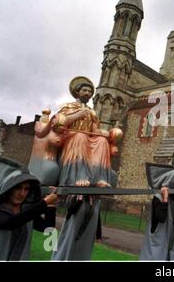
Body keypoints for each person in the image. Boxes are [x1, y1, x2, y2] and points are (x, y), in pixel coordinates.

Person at [50, 76, 122, 260]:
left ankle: (99, 177)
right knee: (81, 136)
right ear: (77, 92)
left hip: (85, 143)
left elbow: (95, 131)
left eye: (90, 91)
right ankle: (77, 176)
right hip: (69, 145)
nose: (88, 93)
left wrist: (103, 133)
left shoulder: (92, 113)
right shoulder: (68, 107)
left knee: (101, 142)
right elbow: (59, 124)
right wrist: (76, 116)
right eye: (84, 90)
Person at [0, 155, 58, 260]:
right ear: (8, 188)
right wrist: (44, 203)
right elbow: (10, 222)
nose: (22, 193)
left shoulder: (25, 213)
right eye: (18, 188)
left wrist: (51, 206)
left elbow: (48, 228)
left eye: (26, 189)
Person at [139, 162, 174, 261]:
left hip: (171, 244)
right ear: (170, 181)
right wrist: (165, 198)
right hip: (158, 245)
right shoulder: (158, 198)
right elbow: (161, 217)